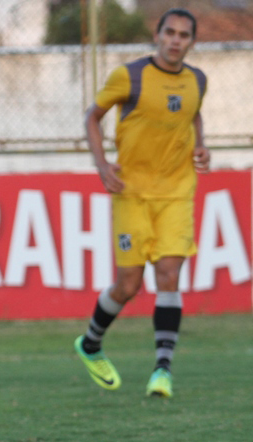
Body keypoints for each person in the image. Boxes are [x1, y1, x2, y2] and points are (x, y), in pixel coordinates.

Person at [74, 8, 209, 398]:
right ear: (158, 34)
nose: (175, 40)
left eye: (184, 35)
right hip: (131, 192)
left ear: (191, 42)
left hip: (177, 191)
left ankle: (162, 369)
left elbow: (193, 114)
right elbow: (92, 116)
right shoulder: (129, 76)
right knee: (128, 285)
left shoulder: (197, 80)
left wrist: (200, 144)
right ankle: (90, 343)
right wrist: (101, 165)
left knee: (169, 273)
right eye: (170, 32)